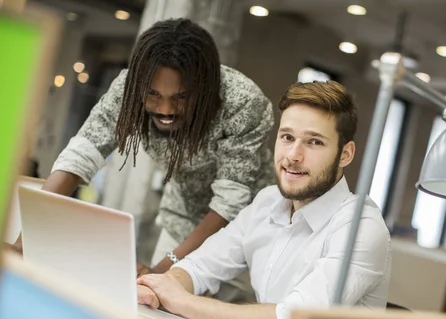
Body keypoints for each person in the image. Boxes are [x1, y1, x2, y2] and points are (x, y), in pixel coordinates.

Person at [12, 19, 275, 304]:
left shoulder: (242, 102)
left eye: (181, 97)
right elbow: (82, 152)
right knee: (159, 307)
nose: (165, 110)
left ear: (205, 89)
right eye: (153, 94)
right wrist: (25, 241)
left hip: (246, 228)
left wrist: (162, 270)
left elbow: (230, 202)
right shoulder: (128, 87)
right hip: (182, 218)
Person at [137, 80, 391, 319]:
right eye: (288, 137)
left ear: (345, 154)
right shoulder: (267, 201)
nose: (293, 155)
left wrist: (182, 301)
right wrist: (160, 288)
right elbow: (200, 267)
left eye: (314, 142)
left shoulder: (361, 227)